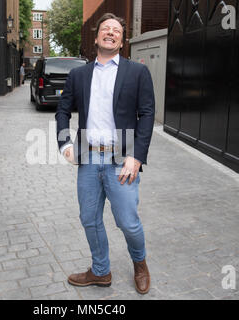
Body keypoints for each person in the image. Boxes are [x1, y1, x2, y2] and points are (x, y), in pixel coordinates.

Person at [55, 13, 155, 294]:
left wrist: (136, 156)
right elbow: (62, 110)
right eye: (105, 29)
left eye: (116, 30)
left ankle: (140, 263)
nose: (110, 33)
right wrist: (65, 144)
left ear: (122, 41)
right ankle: (100, 272)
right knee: (89, 219)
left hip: (122, 158)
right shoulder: (78, 74)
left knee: (127, 221)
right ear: (96, 37)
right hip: (87, 158)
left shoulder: (137, 72)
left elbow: (146, 114)